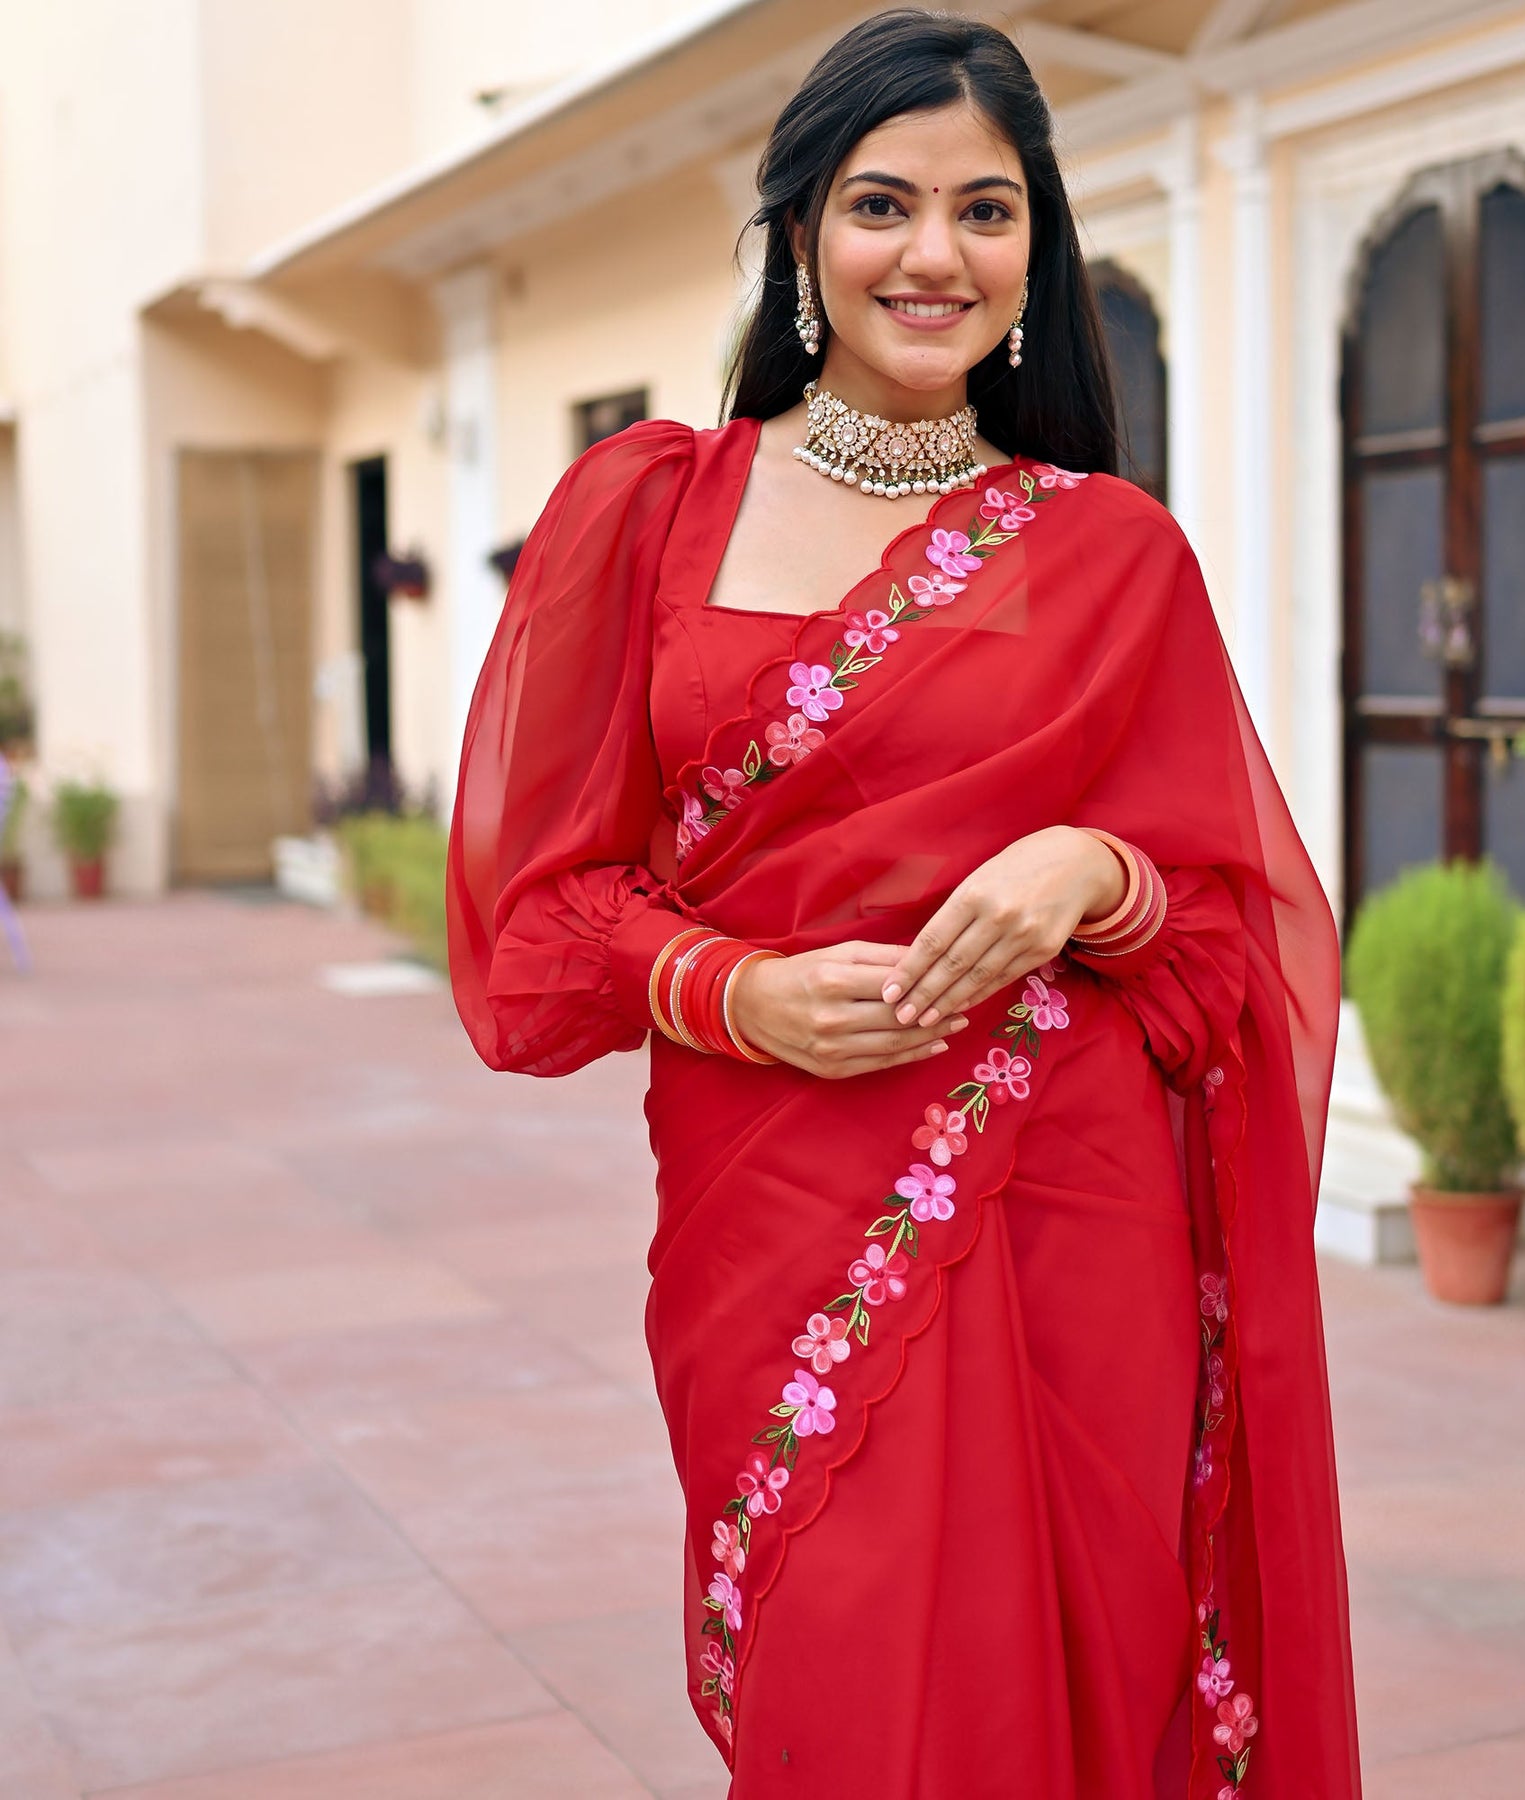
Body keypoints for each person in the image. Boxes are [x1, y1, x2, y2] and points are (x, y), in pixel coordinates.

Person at [448, 11, 1359, 1796]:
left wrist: (1087, 872)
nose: (934, 255)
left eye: (986, 211)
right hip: (772, 1202)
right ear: (800, 236)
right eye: (883, 204)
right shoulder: (651, 515)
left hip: (1065, 1207)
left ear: (1037, 249)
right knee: (850, 1684)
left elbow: (1225, 935)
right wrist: (734, 992)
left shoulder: (1109, 551)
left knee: (1075, 1672)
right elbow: (532, 923)